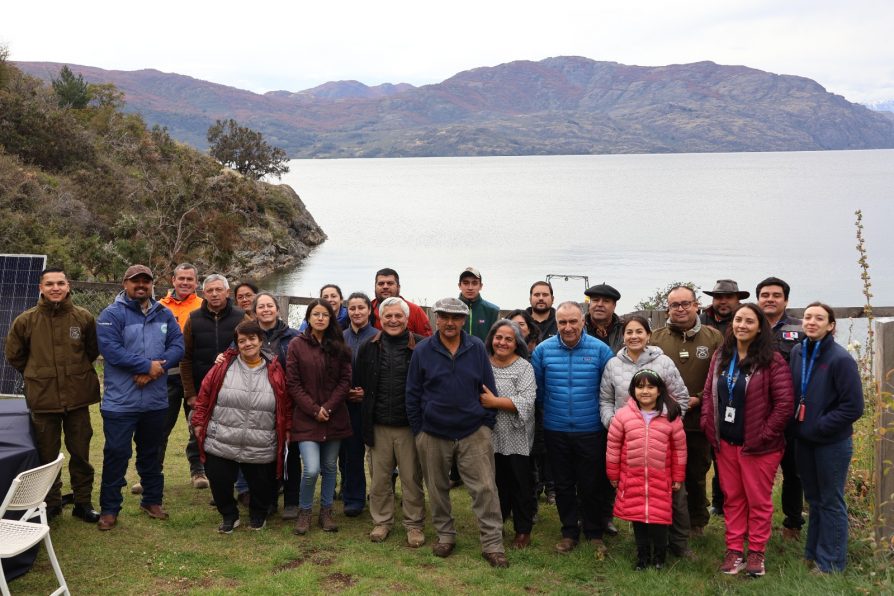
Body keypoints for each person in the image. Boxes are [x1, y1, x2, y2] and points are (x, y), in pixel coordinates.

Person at [406, 297, 507, 568]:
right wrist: (420, 431)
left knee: (485, 488)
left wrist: (486, 424)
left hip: (473, 430)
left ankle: (492, 544)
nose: (450, 322)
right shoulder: (423, 350)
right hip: (433, 432)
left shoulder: (476, 347)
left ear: (463, 320)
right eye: (444, 317)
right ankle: (445, 535)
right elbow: (413, 393)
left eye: (456, 317)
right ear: (436, 319)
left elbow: (488, 388)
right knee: (437, 488)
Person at [701, 303, 794, 577]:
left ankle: (756, 552)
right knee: (733, 498)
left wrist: (764, 435)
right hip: (726, 443)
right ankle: (734, 550)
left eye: (749, 321)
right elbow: (708, 394)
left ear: (759, 328)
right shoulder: (721, 356)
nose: (742, 325)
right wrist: (708, 424)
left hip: (759, 447)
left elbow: (784, 405)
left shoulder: (772, 360)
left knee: (758, 500)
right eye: (738, 320)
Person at [4, 267, 101, 522]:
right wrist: (38, 373)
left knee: (80, 454)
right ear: (41, 288)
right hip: (43, 399)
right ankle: (51, 503)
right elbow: (14, 355)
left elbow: (91, 351)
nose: (55, 288)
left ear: (68, 286)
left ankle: (83, 503)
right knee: (47, 457)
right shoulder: (26, 321)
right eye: (49, 284)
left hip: (77, 398)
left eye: (60, 283)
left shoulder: (83, 317)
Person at [95, 264, 184, 530]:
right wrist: (147, 366)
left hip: (155, 401)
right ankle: (110, 509)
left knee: (151, 453)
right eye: (136, 281)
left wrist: (157, 369)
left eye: (146, 281)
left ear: (152, 285)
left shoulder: (164, 314)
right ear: (125, 284)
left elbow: (178, 346)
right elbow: (111, 350)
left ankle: (152, 500)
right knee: (116, 454)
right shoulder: (111, 314)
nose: (141, 285)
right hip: (120, 403)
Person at [191, 320, 292, 532]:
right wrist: (198, 422)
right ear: (236, 344)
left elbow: (285, 404)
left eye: (252, 339)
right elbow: (204, 395)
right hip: (222, 437)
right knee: (219, 479)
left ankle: (258, 514)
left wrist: (287, 428)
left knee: (262, 483)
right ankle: (229, 515)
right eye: (242, 340)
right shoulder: (223, 366)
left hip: (260, 440)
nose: (248, 344)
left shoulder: (274, 369)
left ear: (261, 340)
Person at [531, 301, 614, 555]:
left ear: (583, 321)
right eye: (562, 322)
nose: (568, 327)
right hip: (555, 429)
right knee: (563, 484)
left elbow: (608, 389)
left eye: (573, 321)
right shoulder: (543, 351)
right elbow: (538, 390)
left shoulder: (600, 350)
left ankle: (594, 532)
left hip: (591, 429)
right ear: (556, 324)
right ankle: (569, 531)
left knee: (591, 483)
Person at [790, 302, 863, 573]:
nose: (811, 322)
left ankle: (831, 563)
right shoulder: (798, 352)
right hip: (804, 440)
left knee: (831, 501)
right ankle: (813, 553)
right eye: (807, 317)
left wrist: (820, 425)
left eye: (819, 318)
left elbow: (853, 407)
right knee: (814, 499)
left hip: (831, 442)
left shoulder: (841, 359)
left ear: (831, 325)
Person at [650, 285, 722, 555]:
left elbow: (720, 375)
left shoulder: (713, 337)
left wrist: (698, 399)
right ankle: (663, 517)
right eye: (674, 305)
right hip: (663, 419)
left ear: (696, 305)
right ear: (667, 308)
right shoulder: (656, 338)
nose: (680, 309)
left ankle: (697, 521)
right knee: (664, 473)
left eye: (685, 304)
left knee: (696, 471)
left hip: (698, 419)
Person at [355, 297, 427, 547]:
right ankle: (382, 521)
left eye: (398, 316)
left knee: (411, 478)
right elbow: (360, 382)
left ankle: (414, 524)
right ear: (380, 318)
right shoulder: (369, 347)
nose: (393, 320)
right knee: (379, 479)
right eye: (388, 316)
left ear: (406, 319)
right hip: (378, 425)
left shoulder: (421, 346)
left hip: (409, 426)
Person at [606, 370, 686, 570]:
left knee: (660, 519)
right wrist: (613, 474)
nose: (645, 391)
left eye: (650, 387)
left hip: (660, 479)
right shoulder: (623, 416)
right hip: (633, 477)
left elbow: (679, 449)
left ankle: (659, 557)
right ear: (633, 390)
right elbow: (613, 447)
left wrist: (677, 476)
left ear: (659, 390)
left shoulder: (670, 416)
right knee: (638, 519)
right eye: (640, 387)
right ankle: (642, 556)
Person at [286, 299, 353, 535]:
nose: (321, 318)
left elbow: (345, 380)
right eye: (316, 314)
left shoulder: (339, 344)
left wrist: (329, 408)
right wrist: (315, 410)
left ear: (331, 318)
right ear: (308, 317)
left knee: (330, 467)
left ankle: (326, 511)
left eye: (325, 314)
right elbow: (293, 383)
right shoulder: (296, 345)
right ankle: (305, 511)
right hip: (306, 418)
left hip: (335, 417)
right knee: (311, 469)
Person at [179, 274, 245, 489]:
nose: (215, 294)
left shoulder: (241, 317)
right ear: (203, 293)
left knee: (229, 434)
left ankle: (229, 478)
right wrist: (190, 393)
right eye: (210, 291)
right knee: (198, 431)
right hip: (201, 388)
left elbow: (251, 350)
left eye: (219, 290)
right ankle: (198, 470)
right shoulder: (194, 319)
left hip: (233, 388)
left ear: (227, 292)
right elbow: (185, 358)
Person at [756, 275, 805, 539]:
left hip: (792, 412)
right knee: (756, 471)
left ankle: (793, 522)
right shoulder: (750, 326)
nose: (770, 299)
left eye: (776, 295)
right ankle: (755, 521)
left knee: (793, 470)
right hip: (758, 412)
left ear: (786, 300)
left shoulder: (801, 328)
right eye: (765, 295)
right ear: (758, 299)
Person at [481, 320, 537, 548]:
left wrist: (494, 402)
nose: (502, 342)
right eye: (498, 337)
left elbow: (527, 401)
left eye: (508, 339)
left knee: (520, 484)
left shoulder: (524, 367)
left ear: (516, 343)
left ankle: (523, 530)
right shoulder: (483, 363)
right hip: (489, 433)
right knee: (495, 483)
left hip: (516, 435)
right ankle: (496, 523)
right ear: (491, 339)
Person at [154, 263, 203, 497]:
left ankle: (198, 471)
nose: (185, 283)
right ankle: (152, 472)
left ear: (196, 283)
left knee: (198, 425)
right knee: (160, 425)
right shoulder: (159, 307)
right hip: (167, 376)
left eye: (189, 279)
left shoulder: (203, 306)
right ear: (173, 280)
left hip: (195, 376)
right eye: (181, 278)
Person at [599, 315, 689, 433]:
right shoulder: (612, 365)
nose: (634, 336)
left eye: (639, 332)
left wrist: (670, 426)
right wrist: (613, 424)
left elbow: (681, 397)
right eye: (629, 332)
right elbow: (606, 401)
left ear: (648, 335)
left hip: (659, 436)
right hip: (624, 434)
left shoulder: (664, 362)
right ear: (623, 336)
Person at [507, 308, 553, 508]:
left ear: (529, 328)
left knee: (531, 464)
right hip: (507, 416)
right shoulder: (500, 351)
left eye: (521, 324)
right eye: (513, 324)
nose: (517, 328)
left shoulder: (538, 353)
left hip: (535, 414)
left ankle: (530, 506)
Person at [339, 292, 379, 518]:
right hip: (347, 404)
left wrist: (368, 393)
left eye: (361, 308)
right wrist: (345, 392)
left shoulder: (378, 337)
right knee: (352, 453)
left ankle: (380, 496)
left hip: (372, 403)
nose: (356, 312)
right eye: (352, 308)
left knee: (379, 455)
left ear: (369, 310)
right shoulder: (340, 337)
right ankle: (354, 498)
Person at [370, 268, 432, 336]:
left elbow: (427, 339)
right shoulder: (367, 311)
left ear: (398, 287)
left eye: (390, 283)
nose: (385, 287)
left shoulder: (415, 311)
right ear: (375, 287)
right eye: (381, 284)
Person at [457, 267, 500, 341]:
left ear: (480, 286)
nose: (470, 288)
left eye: (474, 283)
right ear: (459, 286)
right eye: (466, 283)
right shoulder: (451, 309)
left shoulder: (493, 311)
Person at [584, 283, 624, 353]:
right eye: (595, 300)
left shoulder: (624, 329)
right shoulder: (578, 327)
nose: (600, 304)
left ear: (614, 305)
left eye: (606, 301)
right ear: (589, 304)